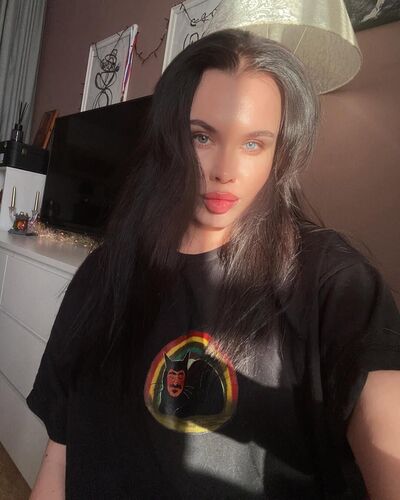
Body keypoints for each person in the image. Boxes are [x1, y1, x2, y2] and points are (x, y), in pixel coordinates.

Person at [27, 29, 400, 499]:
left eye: (253, 144)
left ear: (280, 153)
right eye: (202, 137)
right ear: (168, 140)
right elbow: (58, 458)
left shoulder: (334, 284)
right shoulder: (104, 275)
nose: (225, 170)